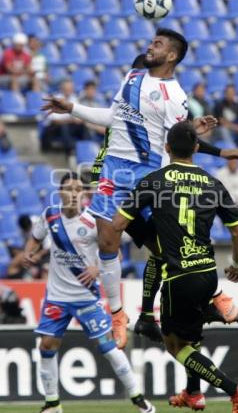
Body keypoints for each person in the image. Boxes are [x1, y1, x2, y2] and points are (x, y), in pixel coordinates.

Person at [42, 30, 238, 348]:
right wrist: (71, 107)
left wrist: (208, 143)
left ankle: (216, 295)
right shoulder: (133, 75)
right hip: (114, 169)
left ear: (172, 56)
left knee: (169, 247)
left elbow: (179, 139)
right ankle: (117, 314)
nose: (150, 46)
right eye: (152, 42)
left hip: (150, 175)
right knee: (107, 239)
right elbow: (113, 117)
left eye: (158, 44)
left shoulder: (175, 96)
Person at [113, 121, 238, 413]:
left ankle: (234, 389)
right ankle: (193, 392)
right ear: (197, 149)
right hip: (207, 273)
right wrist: (237, 265)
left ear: (166, 148)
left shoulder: (154, 180)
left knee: (176, 346)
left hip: (178, 276)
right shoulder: (213, 183)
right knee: (191, 336)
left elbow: (118, 224)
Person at [23, 172, 155, 413]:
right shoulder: (49, 215)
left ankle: (139, 399)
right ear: (60, 192)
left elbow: (115, 254)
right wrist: (28, 252)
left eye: (77, 190)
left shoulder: (94, 221)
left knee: (108, 348)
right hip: (57, 297)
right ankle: (52, 404)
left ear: (84, 195)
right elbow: (35, 237)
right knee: (46, 346)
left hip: (87, 298)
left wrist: (96, 268)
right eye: (68, 189)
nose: (73, 194)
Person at [41, 79, 92, 155]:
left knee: (83, 126)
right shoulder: (55, 99)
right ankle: (70, 151)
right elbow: (54, 120)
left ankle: (89, 148)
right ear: (62, 89)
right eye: (67, 89)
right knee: (65, 127)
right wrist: (71, 120)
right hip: (54, 127)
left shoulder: (74, 98)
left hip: (71, 125)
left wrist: (79, 121)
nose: (69, 91)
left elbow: (78, 117)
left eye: (70, 89)